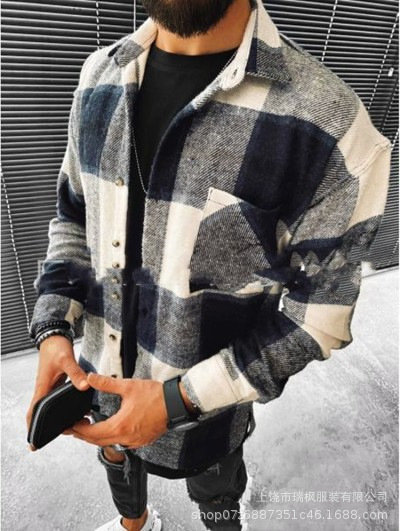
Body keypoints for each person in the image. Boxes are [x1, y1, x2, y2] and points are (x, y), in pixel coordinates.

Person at [26, 0, 392, 530]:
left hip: (208, 421)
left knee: (218, 496)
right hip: (97, 382)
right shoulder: (99, 75)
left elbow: (315, 320)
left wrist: (179, 402)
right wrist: (54, 328)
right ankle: (134, 524)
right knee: (116, 462)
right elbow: (74, 216)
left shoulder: (331, 127)